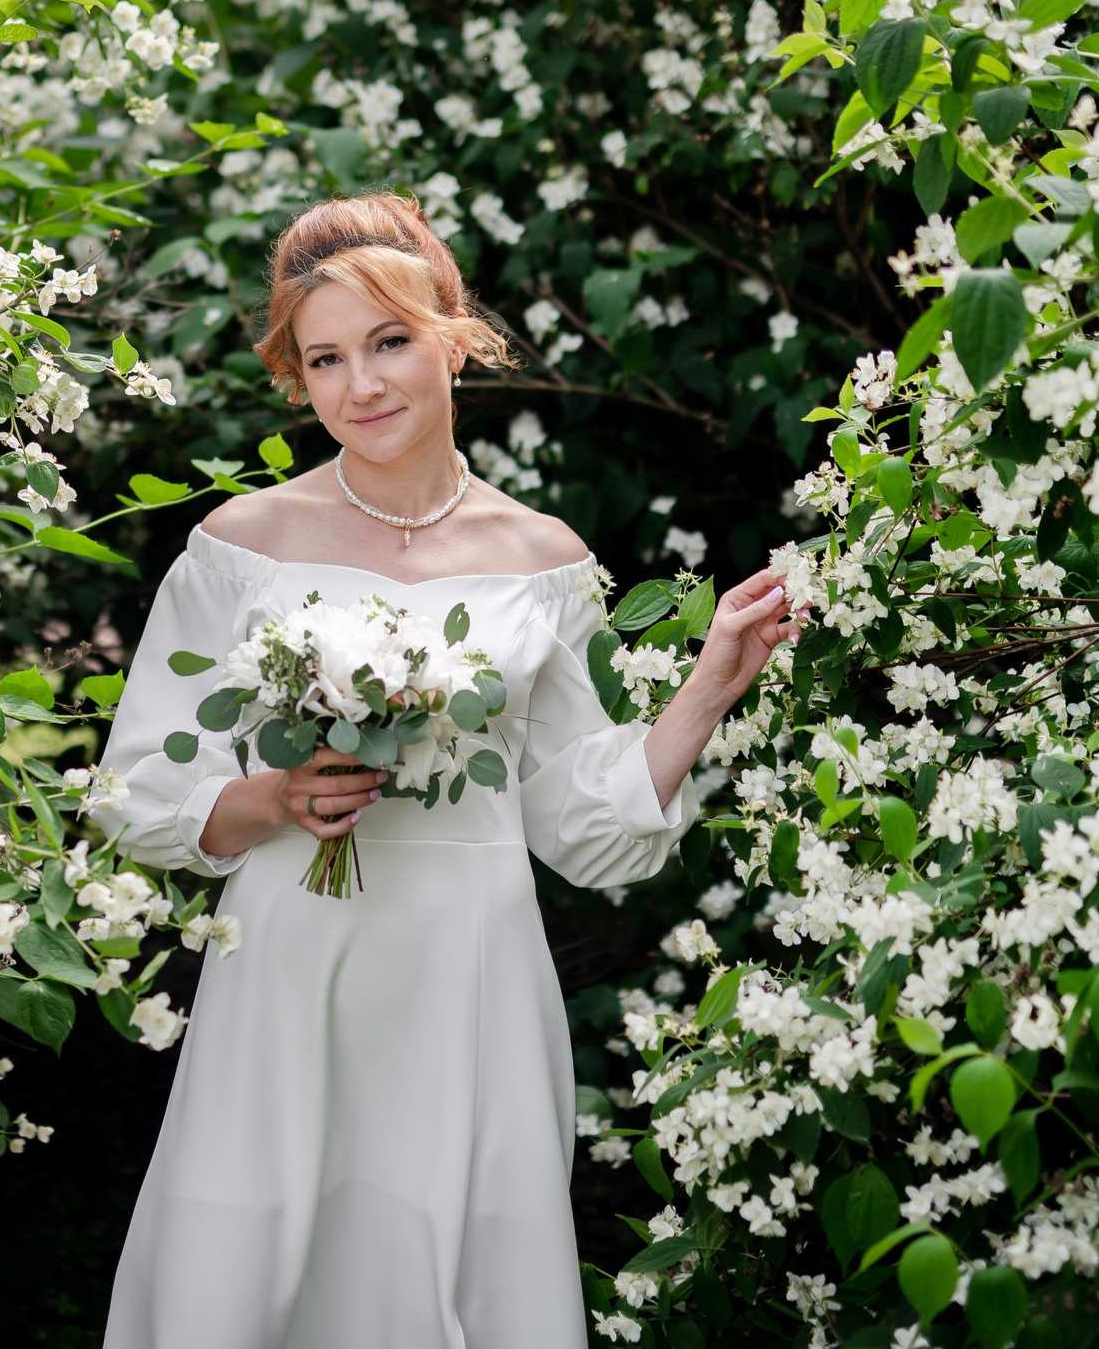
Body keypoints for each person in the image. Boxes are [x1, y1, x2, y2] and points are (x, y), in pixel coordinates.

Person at [91, 193, 800, 1349]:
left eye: (388, 343)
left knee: (459, 1253)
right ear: (295, 377)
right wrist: (273, 797)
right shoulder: (238, 546)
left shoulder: (543, 559)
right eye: (324, 358)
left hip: (466, 965)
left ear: (452, 336)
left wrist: (710, 683)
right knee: (250, 1262)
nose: (361, 385)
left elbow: (581, 815)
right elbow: (133, 786)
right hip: (289, 959)